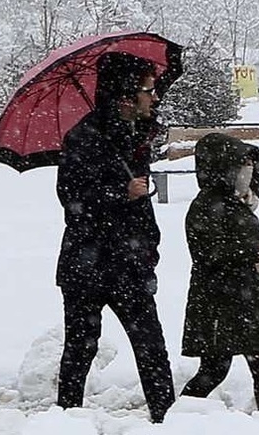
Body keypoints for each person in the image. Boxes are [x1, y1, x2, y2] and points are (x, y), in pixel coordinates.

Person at [55, 52, 175, 422]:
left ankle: (168, 418)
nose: (154, 98)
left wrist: (148, 250)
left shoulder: (135, 136)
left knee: (151, 346)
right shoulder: (85, 137)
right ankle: (66, 419)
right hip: (89, 264)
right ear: (125, 96)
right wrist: (121, 193)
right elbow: (72, 199)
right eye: (147, 90)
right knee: (81, 346)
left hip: (130, 262)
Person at [180, 133, 259, 417]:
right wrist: (253, 250)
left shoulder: (235, 202)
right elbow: (209, 252)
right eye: (241, 166)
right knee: (215, 370)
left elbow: (234, 240)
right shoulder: (206, 206)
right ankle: (180, 415)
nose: (247, 172)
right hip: (220, 301)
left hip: (245, 298)